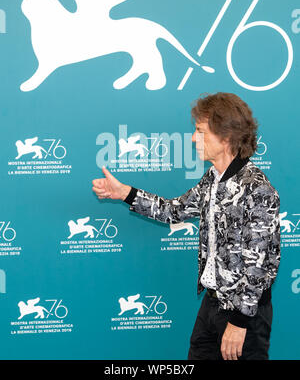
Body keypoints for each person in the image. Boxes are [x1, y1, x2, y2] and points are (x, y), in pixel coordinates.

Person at [92, 92, 280, 360]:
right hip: (211, 305)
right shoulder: (212, 180)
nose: (193, 138)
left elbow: (260, 264)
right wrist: (125, 193)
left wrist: (239, 323)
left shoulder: (257, 189)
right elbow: (173, 210)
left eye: (200, 131)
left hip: (243, 315)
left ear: (225, 136)